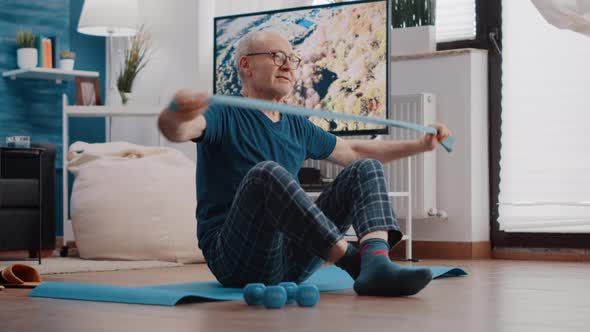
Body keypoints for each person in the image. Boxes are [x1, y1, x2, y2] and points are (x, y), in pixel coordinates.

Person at [158, 31, 451, 296]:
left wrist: (420, 145)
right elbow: (180, 130)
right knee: (266, 172)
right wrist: (176, 113)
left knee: (366, 168)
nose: (287, 65)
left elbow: (353, 149)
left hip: (292, 258)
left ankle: (375, 264)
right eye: (277, 56)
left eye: (291, 58)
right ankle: (354, 264)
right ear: (246, 66)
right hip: (236, 258)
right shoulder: (223, 112)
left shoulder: (297, 124)